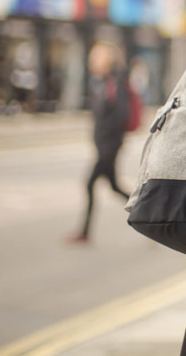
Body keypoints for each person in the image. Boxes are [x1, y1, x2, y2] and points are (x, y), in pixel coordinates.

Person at [66, 41, 131, 243]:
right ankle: (150, 216)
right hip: (104, 146)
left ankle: (84, 232)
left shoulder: (115, 82)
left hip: (109, 147)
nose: (92, 61)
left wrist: (106, 140)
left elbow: (122, 115)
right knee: (114, 187)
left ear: (108, 60)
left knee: (89, 183)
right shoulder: (100, 82)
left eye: (97, 57)